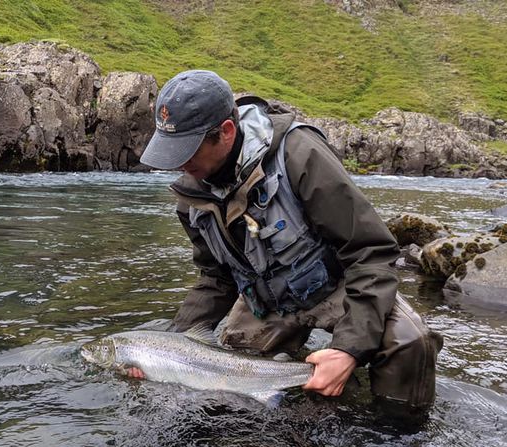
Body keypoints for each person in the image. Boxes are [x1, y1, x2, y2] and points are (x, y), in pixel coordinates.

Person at [135, 70, 443, 410]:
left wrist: (347, 349)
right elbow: (216, 279)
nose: (178, 164)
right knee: (229, 392)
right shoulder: (192, 196)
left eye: (187, 151)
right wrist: (169, 348)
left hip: (335, 286)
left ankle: (392, 438)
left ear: (226, 132)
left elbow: (370, 252)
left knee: (411, 343)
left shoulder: (300, 154)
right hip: (266, 300)